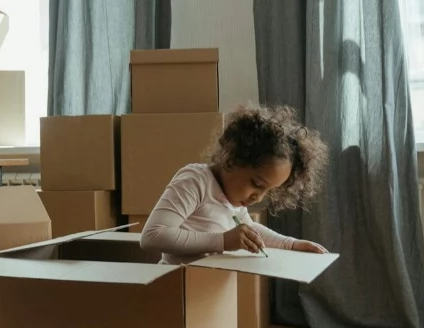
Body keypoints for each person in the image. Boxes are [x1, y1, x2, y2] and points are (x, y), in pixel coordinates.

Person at [139, 104, 331, 264]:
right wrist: (223, 241)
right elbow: (152, 236)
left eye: (268, 191)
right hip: (174, 286)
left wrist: (291, 244)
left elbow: (250, 231)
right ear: (231, 159)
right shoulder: (195, 181)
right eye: (256, 183)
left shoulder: (233, 199)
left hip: (207, 288)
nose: (259, 197)